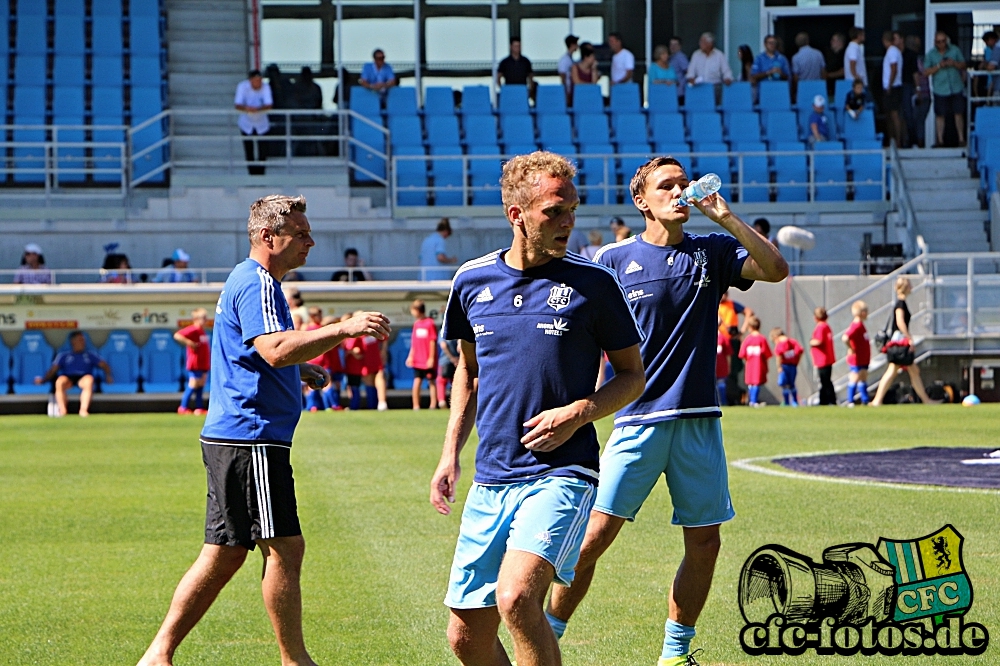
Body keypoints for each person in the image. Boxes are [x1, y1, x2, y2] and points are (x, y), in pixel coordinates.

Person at [546, 156, 788, 665]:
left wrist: (725, 217)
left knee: (704, 546)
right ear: (642, 201)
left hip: (699, 420)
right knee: (589, 542)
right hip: (635, 420)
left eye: (683, 183)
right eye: (666, 185)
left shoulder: (713, 250)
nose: (679, 191)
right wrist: (578, 407)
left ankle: (675, 655)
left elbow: (775, 269)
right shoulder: (611, 260)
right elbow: (583, 335)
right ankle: (546, 636)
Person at [134, 195, 391, 666]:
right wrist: (345, 327)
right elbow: (272, 349)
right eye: (302, 233)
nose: (311, 242)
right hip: (252, 436)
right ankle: (295, 661)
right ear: (269, 237)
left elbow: (255, 354)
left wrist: (298, 373)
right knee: (285, 548)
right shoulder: (257, 282)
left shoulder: (250, 279)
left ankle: (158, 653)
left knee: (225, 552)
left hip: (237, 435)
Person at [430, 150, 645, 666]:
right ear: (517, 214)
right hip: (490, 477)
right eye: (554, 211)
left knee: (518, 600)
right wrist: (449, 454)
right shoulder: (471, 281)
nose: (568, 221)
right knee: (465, 637)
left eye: (572, 209)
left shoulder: (594, 284)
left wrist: (579, 412)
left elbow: (633, 377)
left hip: (561, 473)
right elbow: (468, 371)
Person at [871, 277, 941, 406]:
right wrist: (909, 338)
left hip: (898, 342)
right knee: (898, 372)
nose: (912, 287)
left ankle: (925, 400)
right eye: (909, 285)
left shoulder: (899, 302)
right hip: (900, 343)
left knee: (910, 371)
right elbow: (900, 322)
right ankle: (877, 400)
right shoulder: (900, 303)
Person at [36, 330, 112, 418]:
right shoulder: (64, 355)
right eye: (80, 340)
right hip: (69, 378)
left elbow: (104, 365)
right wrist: (43, 380)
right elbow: (53, 370)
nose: (83, 343)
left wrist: (108, 376)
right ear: (73, 341)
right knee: (59, 382)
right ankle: (63, 410)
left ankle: (83, 410)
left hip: (83, 377)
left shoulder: (90, 355)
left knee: (89, 380)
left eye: (83, 340)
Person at [925, 31, 967, 147]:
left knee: (959, 113)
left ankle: (961, 139)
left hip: (956, 86)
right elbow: (926, 72)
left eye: (943, 41)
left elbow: (964, 65)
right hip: (940, 89)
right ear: (935, 42)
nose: (941, 44)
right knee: (940, 115)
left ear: (946, 40)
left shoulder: (955, 50)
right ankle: (940, 140)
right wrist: (939, 66)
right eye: (938, 42)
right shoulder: (931, 54)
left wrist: (953, 63)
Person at [234, 69, 273, 175]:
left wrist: (258, 109)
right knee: (249, 150)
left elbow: (269, 104)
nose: (258, 83)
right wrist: (248, 108)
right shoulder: (242, 86)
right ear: (250, 80)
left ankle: (261, 174)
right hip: (246, 123)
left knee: (263, 151)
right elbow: (237, 104)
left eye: (260, 80)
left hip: (262, 124)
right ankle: (251, 174)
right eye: (256, 80)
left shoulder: (266, 87)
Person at [174, 308, 211, 415]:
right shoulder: (193, 329)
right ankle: (183, 407)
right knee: (193, 384)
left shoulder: (202, 331)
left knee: (200, 386)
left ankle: (199, 408)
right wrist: (189, 342)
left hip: (203, 364)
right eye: (203, 318)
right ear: (196, 319)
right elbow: (177, 335)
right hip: (195, 364)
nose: (205, 320)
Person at [406, 299, 438, 410]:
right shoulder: (416, 324)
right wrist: (410, 356)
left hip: (427, 359)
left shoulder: (430, 323)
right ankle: (416, 405)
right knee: (417, 381)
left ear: (418, 310)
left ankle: (433, 404)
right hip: (417, 359)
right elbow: (414, 343)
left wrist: (431, 358)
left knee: (431, 381)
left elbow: (432, 341)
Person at [842, 300, 871, 406]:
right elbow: (845, 338)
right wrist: (851, 348)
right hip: (857, 358)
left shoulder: (861, 325)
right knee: (855, 377)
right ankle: (850, 401)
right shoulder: (856, 325)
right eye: (866, 311)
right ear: (862, 312)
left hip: (863, 358)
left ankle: (865, 400)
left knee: (863, 376)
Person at [739, 317, 771, 407]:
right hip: (759, 365)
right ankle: (753, 401)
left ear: (749, 327)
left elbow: (742, 354)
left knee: (751, 382)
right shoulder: (762, 339)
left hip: (749, 365)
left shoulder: (747, 339)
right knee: (756, 382)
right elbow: (767, 354)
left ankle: (751, 400)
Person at [810, 307, 837, 405]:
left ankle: (830, 400)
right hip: (827, 358)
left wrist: (811, 341)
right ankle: (823, 401)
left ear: (815, 317)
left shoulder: (821, 327)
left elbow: (819, 341)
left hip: (823, 359)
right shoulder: (827, 326)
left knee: (825, 381)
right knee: (825, 381)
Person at [318, 315, 346, 411]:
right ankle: (330, 406)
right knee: (327, 384)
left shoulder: (335, 334)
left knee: (337, 384)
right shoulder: (323, 334)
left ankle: (335, 404)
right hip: (326, 363)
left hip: (335, 364)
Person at [882, 31, 905, 148]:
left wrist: (889, 85)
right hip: (893, 86)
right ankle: (894, 140)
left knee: (894, 115)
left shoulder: (892, 52)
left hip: (893, 87)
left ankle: (897, 140)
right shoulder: (895, 51)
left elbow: (893, 69)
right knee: (891, 114)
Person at [770, 327, 803, 406]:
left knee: (790, 383)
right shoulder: (787, 343)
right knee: (783, 383)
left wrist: (779, 367)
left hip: (789, 366)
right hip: (785, 366)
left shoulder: (790, 343)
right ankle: (787, 401)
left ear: (776, 337)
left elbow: (799, 351)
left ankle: (794, 401)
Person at [908, 35, 931, 148]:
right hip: (921, 94)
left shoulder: (918, 60)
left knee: (919, 119)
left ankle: (919, 142)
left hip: (923, 93)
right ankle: (918, 142)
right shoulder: (916, 60)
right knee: (918, 120)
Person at [435, 329, 459, 409]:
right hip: (457, 360)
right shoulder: (458, 330)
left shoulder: (443, 330)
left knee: (441, 381)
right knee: (455, 382)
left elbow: (443, 345)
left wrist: (451, 358)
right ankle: (456, 401)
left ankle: (441, 400)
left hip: (445, 360)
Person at [557, 34, 579, 101]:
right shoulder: (564, 60)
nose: (577, 46)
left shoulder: (571, 59)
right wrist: (565, 91)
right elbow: (562, 75)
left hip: (572, 89)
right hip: (568, 89)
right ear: (572, 44)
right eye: (576, 43)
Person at [716, 324, 732, 405]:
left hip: (721, 366)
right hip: (710, 367)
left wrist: (728, 366)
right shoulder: (706, 337)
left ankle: (722, 402)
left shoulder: (723, 338)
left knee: (721, 384)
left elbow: (728, 354)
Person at [669, 36, 689, 101]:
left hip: (679, 90)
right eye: (671, 44)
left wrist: (682, 84)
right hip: (672, 90)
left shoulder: (681, 57)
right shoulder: (671, 57)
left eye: (675, 45)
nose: (673, 47)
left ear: (680, 46)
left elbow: (687, 72)